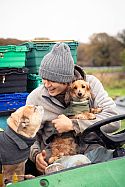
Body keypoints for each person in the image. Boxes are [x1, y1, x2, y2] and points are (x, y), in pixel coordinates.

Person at [26, 42, 120, 175]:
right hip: (59, 155)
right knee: (79, 163)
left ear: (67, 79)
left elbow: (114, 121)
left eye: (52, 80)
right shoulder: (35, 98)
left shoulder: (90, 84)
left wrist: (74, 124)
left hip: (93, 149)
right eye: (43, 79)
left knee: (118, 161)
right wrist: (35, 155)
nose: (46, 85)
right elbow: (27, 135)